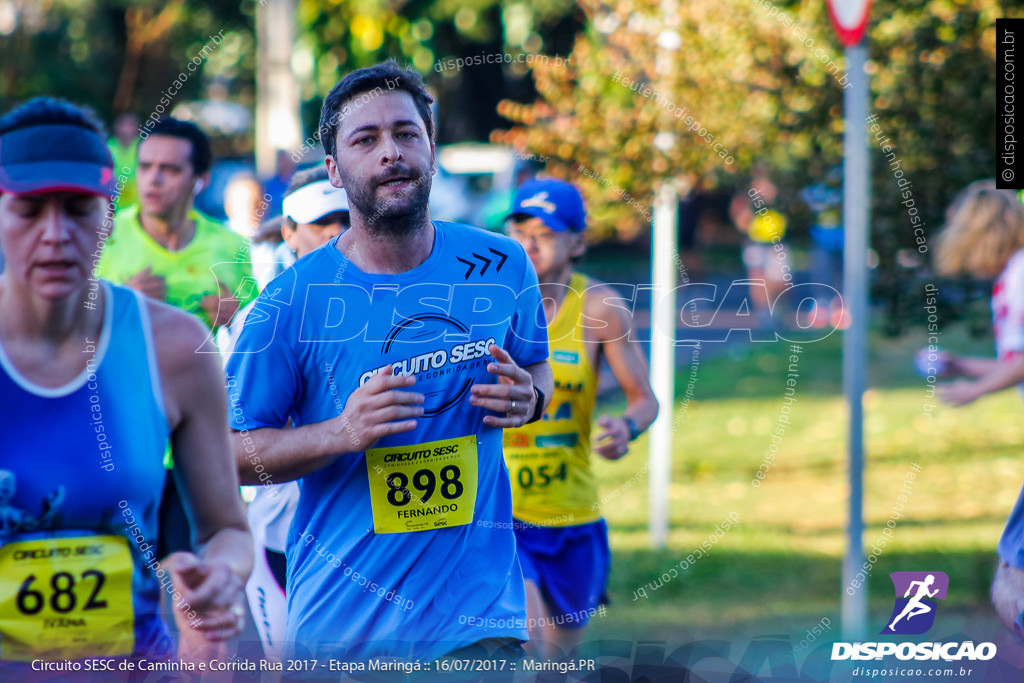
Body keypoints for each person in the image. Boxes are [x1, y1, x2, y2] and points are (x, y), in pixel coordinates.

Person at [226, 59, 553, 662]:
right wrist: (341, 433)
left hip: (477, 621)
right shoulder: (290, 302)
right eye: (365, 139)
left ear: (432, 149)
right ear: (333, 168)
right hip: (343, 630)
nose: (391, 152)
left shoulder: (503, 264)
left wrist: (530, 400)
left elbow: (537, 369)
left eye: (406, 133)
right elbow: (231, 456)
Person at [0, 97, 252, 668]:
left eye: (78, 209)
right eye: (29, 211)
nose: (56, 234)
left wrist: (219, 578)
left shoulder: (174, 346)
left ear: (110, 217)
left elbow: (227, 531)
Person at [502, 178, 658, 658]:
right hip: (501, 513)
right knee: (528, 648)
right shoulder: (488, 304)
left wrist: (624, 427)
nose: (529, 242)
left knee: (559, 665)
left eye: (544, 232)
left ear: (578, 242)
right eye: (519, 228)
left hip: (572, 512)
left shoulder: (601, 308)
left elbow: (644, 398)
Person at [231, 166, 349, 661]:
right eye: (320, 222)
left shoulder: (396, 311)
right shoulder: (259, 321)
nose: (335, 233)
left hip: (362, 525)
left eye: (344, 219)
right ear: (288, 233)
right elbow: (235, 443)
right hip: (279, 530)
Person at [931, 180, 1024, 639]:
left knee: (1014, 578)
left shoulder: (1021, 276)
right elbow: (1017, 362)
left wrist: (976, 391)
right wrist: (964, 367)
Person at [107, 112, 140, 209]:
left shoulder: (142, 147)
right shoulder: (108, 147)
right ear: (117, 127)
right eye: (123, 124)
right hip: (113, 206)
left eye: (130, 124)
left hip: (135, 206)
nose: (126, 129)